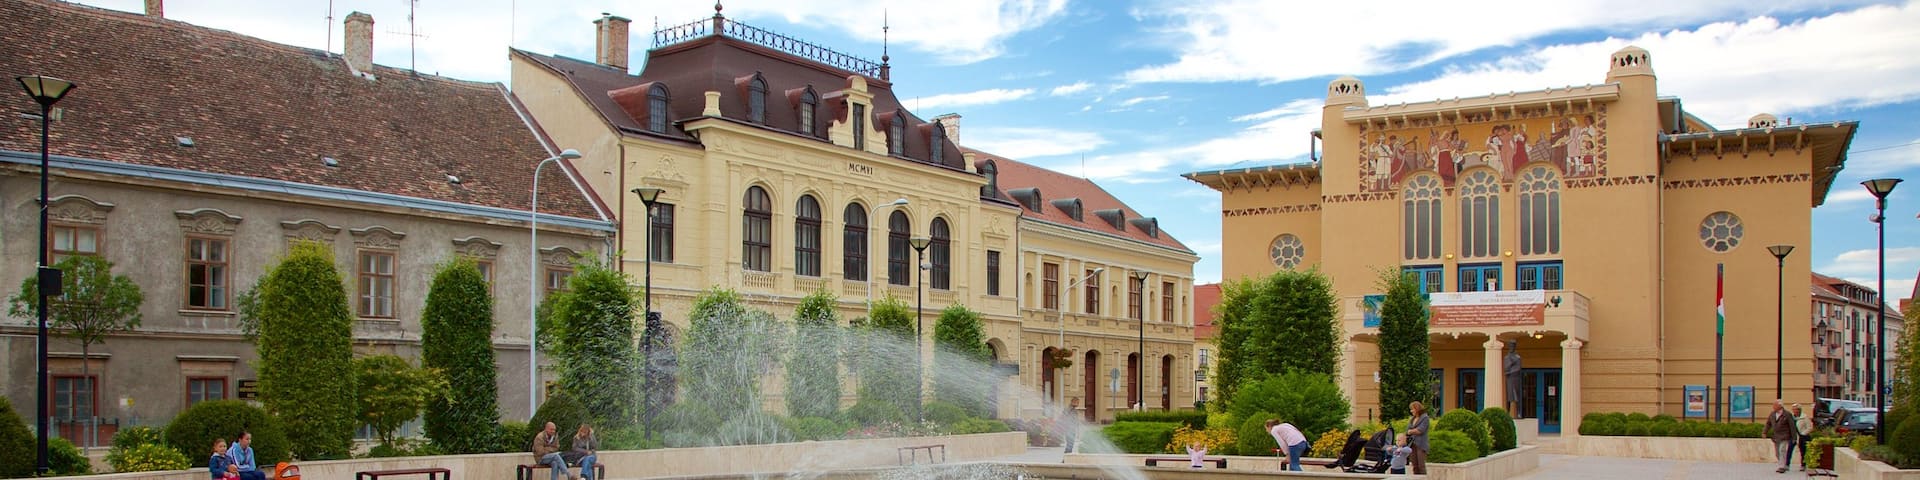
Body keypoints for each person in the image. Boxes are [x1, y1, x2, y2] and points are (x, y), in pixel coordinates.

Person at [1764, 399, 1795, 473]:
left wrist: (1794, 437)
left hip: (1785, 436)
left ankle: (1782, 467)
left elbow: (1792, 426)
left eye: (1775, 405)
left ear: (1780, 406)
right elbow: (1768, 424)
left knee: (1782, 450)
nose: (1773, 407)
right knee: (1777, 453)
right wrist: (1764, 432)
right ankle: (1782, 464)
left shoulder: (1787, 414)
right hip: (1776, 437)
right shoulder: (1772, 414)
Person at [1407, 401, 1432, 475]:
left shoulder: (1425, 418)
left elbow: (1420, 430)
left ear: (1417, 409)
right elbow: (1407, 430)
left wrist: (1411, 431)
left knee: (1421, 465)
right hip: (1412, 444)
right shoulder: (1412, 419)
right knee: (1415, 466)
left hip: (1421, 444)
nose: (1411, 411)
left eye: (1412, 409)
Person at [1504, 342, 1523, 415]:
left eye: (1513, 346)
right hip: (1509, 378)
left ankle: (1519, 412)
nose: (1511, 348)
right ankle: (1507, 412)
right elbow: (1506, 368)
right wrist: (1511, 364)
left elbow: (1518, 368)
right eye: (1510, 346)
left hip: (1516, 378)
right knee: (1509, 396)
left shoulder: (1518, 357)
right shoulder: (1507, 357)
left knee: (1517, 395)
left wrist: (1510, 371)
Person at [1795, 404, 1814, 471]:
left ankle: (1804, 464)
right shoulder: (1794, 418)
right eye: (1793, 410)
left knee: (1804, 451)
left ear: (1799, 410)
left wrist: (1803, 433)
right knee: (1801, 451)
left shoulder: (1805, 417)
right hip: (1798, 437)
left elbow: (1810, 427)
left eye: (1796, 409)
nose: (1794, 411)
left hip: (1804, 437)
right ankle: (1803, 464)